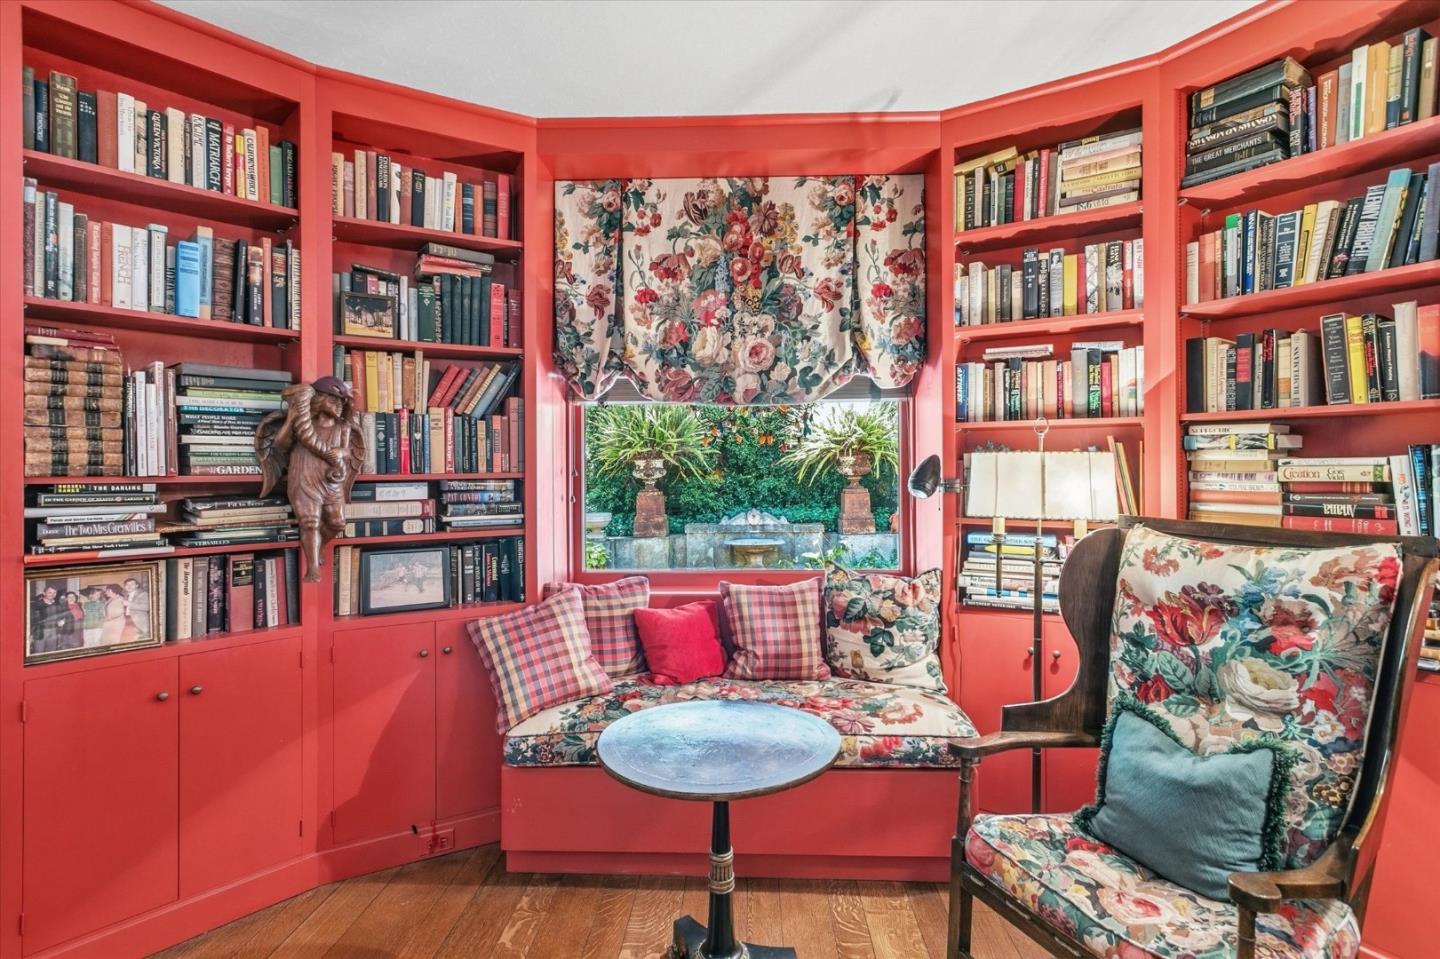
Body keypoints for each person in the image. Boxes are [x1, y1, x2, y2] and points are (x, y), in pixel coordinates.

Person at [122, 576, 150, 642]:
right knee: (128, 640)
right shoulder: (125, 595)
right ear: (125, 587)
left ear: (137, 585)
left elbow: (146, 607)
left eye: (132, 584)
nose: (129, 586)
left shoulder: (143, 594)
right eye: (127, 585)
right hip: (127, 620)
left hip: (138, 622)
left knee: (140, 641)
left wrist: (129, 604)